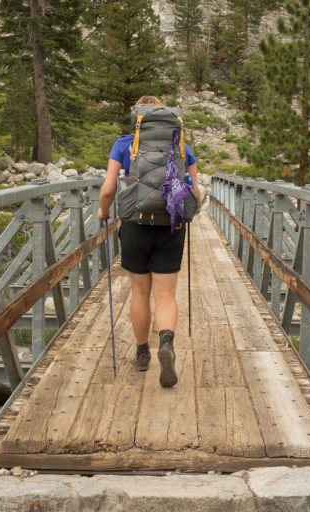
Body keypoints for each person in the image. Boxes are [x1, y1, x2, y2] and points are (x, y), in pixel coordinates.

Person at [97, 95, 202, 388]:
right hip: (171, 225)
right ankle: (166, 344)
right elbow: (195, 194)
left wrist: (103, 212)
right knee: (166, 296)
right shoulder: (181, 146)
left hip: (134, 225)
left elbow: (108, 189)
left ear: (138, 118)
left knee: (140, 293)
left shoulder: (124, 144)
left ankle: (143, 353)